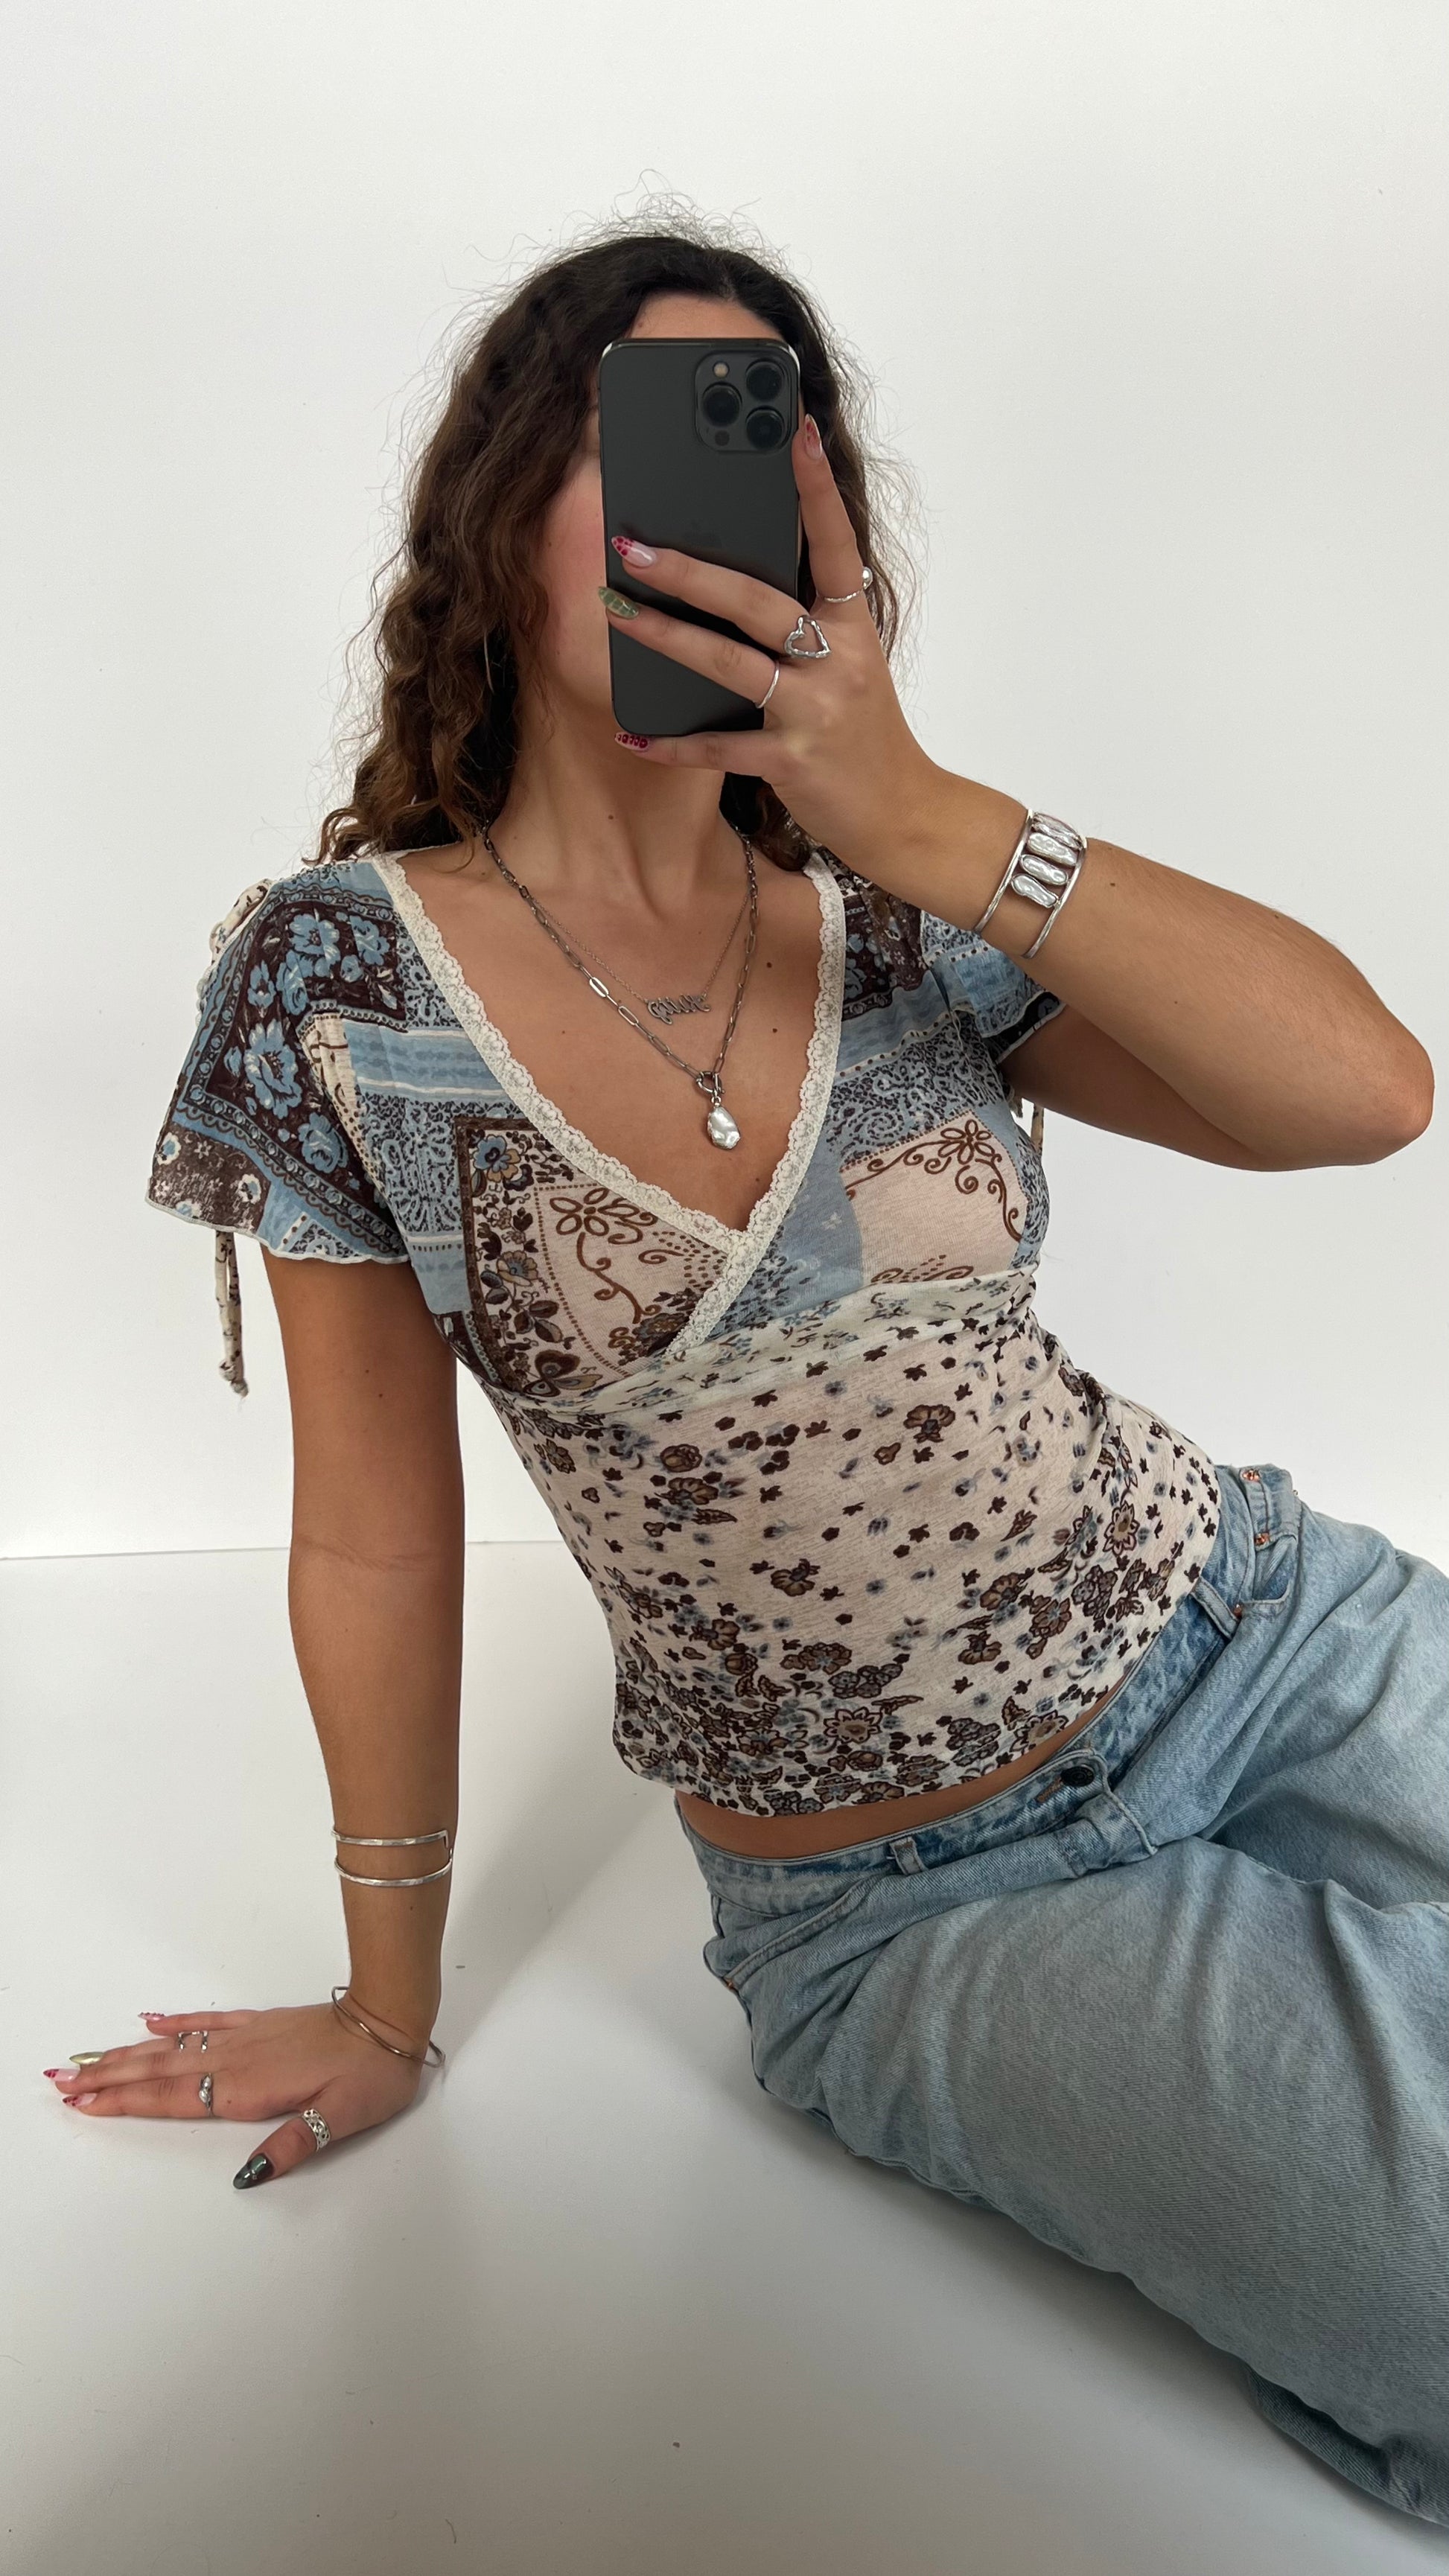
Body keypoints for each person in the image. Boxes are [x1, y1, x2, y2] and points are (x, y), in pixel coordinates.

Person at [54, 223, 1445, 2524]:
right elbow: (377, 1537)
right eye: (642, 438)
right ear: (501, 505)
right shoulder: (335, 990)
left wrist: (930, 816)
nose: (698, 508)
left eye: (754, 445)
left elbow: (1365, 1095)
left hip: (1251, 1630)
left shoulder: (907, 903)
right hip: (919, 1905)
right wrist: (387, 2005)